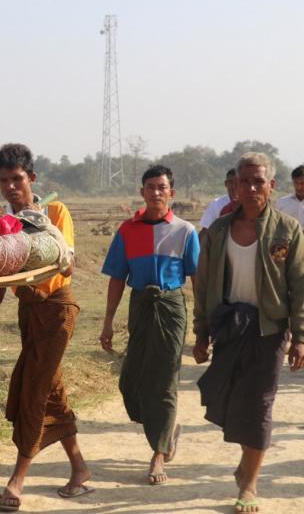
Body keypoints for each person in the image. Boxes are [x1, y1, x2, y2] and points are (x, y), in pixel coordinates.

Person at [0, 143, 91, 511]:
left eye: (17, 179)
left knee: (33, 390)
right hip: (28, 312)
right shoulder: (2, 225)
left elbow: (65, 265)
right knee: (51, 389)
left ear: (31, 178)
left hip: (57, 311)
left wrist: (38, 222)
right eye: (3, 181)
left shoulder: (54, 211)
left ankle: (16, 481)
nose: (10, 187)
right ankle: (80, 469)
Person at [193, 152, 304, 513]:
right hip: (229, 327)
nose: (251, 188)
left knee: (260, 405)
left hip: (269, 330)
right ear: (234, 186)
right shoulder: (218, 231)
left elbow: (302, 285)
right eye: (244, 181)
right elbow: (203, 286)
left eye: (258, 181)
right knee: (230, 401)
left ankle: (250, 483)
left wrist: (302, 337)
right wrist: (201, 332)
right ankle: (246, 464)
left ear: (271, 186)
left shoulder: (285, 230)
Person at [99, 165, 199, 485]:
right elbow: (117, 277)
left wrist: (204, 322)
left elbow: (198, 278)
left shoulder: (185, 231)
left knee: (165, 378)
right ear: (142, 192)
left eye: (162, 187)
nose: (156, 192)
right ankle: (165, 431)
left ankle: (158, 453)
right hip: (139, 304)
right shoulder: (127, 230)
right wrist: (108, 321)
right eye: (150, 187)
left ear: (172, 193)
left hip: (171, 306)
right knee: (132, 379)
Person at [199, 168, 237, 235]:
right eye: (231, 182)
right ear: (226, 184)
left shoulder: (250, 204)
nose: (234, 186)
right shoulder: (216, 204)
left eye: (237, 182)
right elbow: (206, 230)